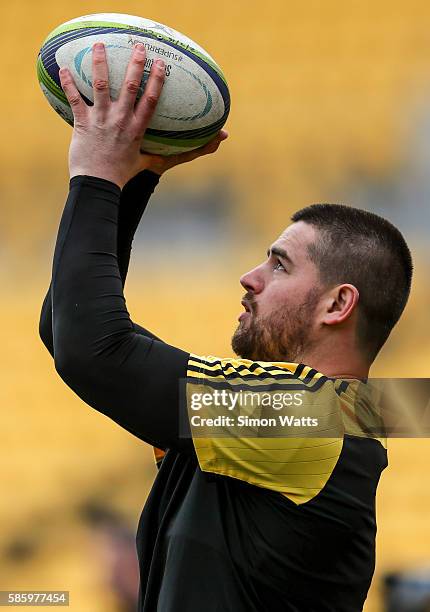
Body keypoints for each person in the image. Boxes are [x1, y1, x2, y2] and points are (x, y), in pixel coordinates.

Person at [39, 42, 413, 611]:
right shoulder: (274, 426)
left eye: (279, 264)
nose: (249, 277)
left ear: (338, 305)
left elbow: (90, 348)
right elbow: (69, 327)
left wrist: (99, 176)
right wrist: (139, 175)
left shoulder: (314, 421)